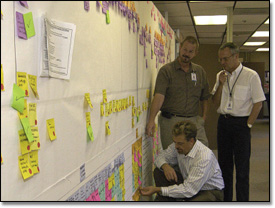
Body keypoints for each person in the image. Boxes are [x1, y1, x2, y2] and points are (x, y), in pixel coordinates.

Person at [212, 42, 265, 201]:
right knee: (224, 168)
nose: (222, 63)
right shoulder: (220, 75)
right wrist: (220, 84)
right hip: (224, 123)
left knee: (242, 170)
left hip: (241, 124)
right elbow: (215, 102)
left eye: (225, 59)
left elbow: (258, 103)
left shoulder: (251, 75)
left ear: (236, 56)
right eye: (220, 59)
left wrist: (248, 124)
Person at [146, 36, 210, 149]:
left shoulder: (200, 72)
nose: (187, 54)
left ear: (195, 53)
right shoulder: (167, 71)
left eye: (191, 51)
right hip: (171, 121)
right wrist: (151, 120)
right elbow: (159, 97)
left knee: (202, 150)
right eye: (185, 50)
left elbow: (204, 97)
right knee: (173, 154)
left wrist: (203, 118)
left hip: (193, 120)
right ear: (180, 48)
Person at [140, 121, 224, 201]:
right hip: (189, 183)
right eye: (175, 142)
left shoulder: (204, 157)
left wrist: (158, 189)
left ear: (191, 141)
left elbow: (189, 189)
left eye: (180, 143)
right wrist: (165, 165)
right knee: (159, 171)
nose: (176, 146)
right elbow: (159, 157)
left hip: (209, 191)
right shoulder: (177, 146)